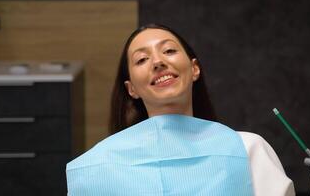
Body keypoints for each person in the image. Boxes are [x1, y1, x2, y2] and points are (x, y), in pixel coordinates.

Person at [66, 24, 295, 195]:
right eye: (142, 59)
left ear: (194, 69)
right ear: (131, 88)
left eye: (168, 51)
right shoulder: (96, 167)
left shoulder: (248, 150)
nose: (157, 62)